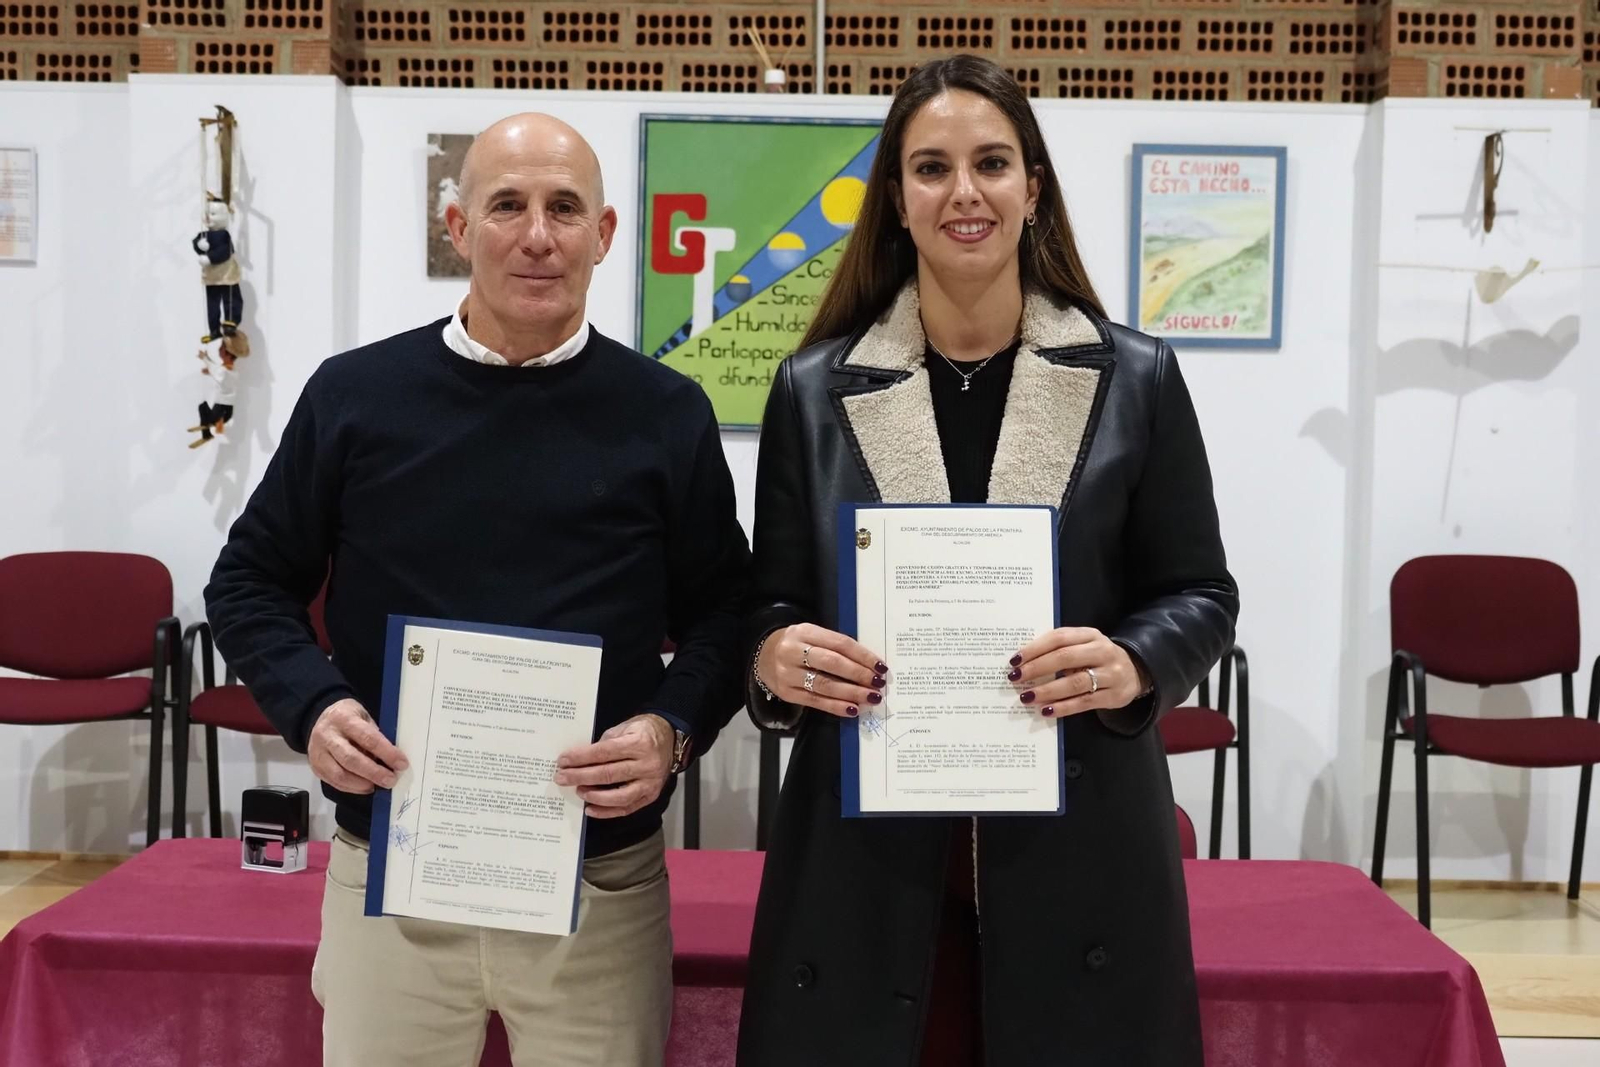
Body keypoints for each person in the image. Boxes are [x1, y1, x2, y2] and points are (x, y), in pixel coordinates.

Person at [205, 113, 750, 1067]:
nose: (537, 234)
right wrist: (314, 704)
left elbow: (727, 613)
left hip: (600, 888)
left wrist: (672, 729)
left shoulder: (665, 415)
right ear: (458, 228)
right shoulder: (355, 396)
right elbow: (248, 578)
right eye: (508, 205)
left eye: (564, 209)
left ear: (605, 234)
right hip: (394, 881)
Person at [736, 56, 1238, 1066]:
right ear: (895, 198)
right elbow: (769, 598)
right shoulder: (810, 389)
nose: (963, 191)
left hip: (1078, 845)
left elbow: (1199, 591)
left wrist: (1135, 660)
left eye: (991, 162)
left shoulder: (1134, 377)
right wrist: (775, 653)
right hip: (869, 853)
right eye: (930, 167)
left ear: (1032, 187)